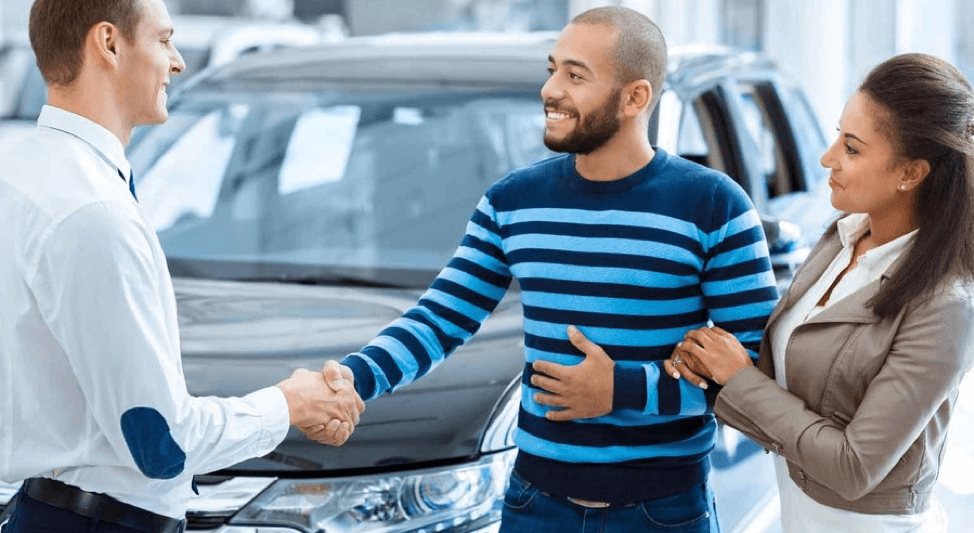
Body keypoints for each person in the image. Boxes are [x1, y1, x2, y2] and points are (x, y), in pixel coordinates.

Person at [309, 6, 779, 532]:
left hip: (663, 509)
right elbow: (440, 319)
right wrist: (352, 380)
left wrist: (621, 390)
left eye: (575, 75)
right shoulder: (513, 201)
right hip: (537, 505)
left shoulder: (714, 205)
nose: (550, 89)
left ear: (636, 97)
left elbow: (756, 372)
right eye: (552, 69)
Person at [0, 1, 364, 531]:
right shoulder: (94, 214)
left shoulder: (21, 176)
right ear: (109, 43)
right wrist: (289, 405)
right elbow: (161, 445)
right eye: (164, 39)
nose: (177, 62)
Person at [651, 53, 974, 532]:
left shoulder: (945, 306)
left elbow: (854, 467)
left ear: (910, 173)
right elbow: (784, 393)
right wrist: (706, 368)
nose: (827, 158)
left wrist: (737, 379)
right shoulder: (840, 238)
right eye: (837, 135)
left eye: (852, 148)